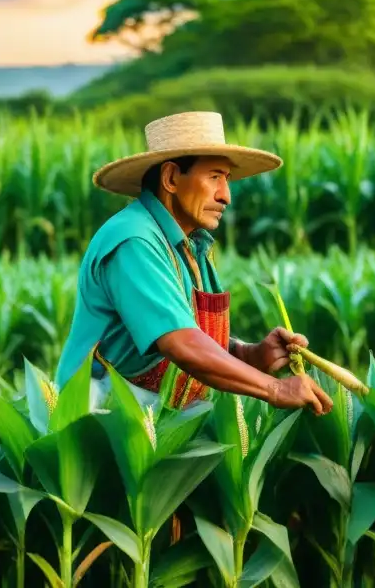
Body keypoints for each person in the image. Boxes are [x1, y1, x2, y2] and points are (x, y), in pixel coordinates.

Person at [54, 111, 333, 415]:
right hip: (98, 419)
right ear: (171, 178)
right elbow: (181, 343)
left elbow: (199, 337)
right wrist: (275, 388)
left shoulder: (191, 246)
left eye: (226, 179)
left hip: (151, 417)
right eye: (214, 177)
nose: (226, 195)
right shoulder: (134, 241)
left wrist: (252, 354)